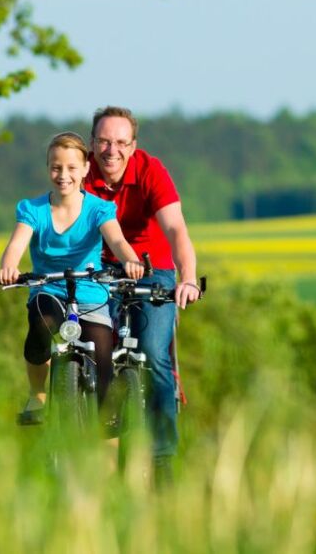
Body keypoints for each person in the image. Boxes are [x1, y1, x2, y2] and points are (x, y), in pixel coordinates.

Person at [84, 106, 201, 485]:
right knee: (86, 349)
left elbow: (176, 229)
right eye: (103, 141)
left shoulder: (151, 171)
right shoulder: (79, 171)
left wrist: (188, 277)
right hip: (97, 270)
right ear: (92, 143)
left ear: (133, 146)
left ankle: (163, 455)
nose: (110, 150)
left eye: (120, 142)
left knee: (152, 352)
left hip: (154, 270)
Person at [0, 132, 145, 425]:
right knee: (41, 325)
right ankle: (37, 393)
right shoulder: (33, 209)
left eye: (71, 168)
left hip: (90, 291)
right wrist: (9, 267)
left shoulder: (98, 209)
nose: (62, 174)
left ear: (85, 169)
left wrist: (131, 260)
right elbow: (16, 245)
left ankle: (104, 414)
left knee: (102, 350)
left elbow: (116, 240)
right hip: (48, 288)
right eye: (55, 167)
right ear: (48, 168)